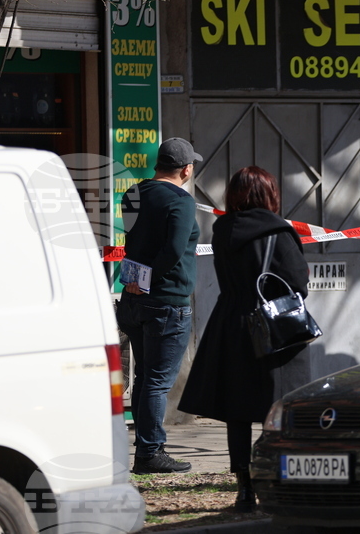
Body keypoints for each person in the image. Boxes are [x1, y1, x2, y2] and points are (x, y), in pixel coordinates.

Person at [179, 167, 309, 511]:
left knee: (237, 412)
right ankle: (276, 480)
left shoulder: (222, 230)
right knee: (277, 408)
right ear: (269, 194)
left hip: (230, 324)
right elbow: (298, 282)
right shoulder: (279, 231)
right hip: (271, 326)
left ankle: (243, 488)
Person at [117, 137, 202, 474]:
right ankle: (150, 452)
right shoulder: (181, 201)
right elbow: (173, 251)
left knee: (145, 379)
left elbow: (135, 241)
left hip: (134, 299)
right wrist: (150, 279)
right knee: (156, 381)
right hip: (167, 302)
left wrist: (138, 281)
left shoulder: (133, 194)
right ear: (186, 169)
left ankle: (145, 450)